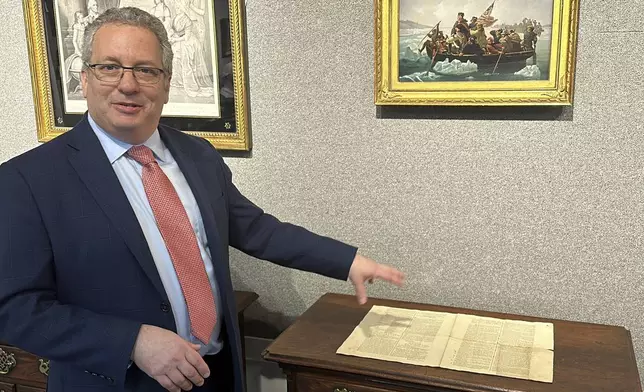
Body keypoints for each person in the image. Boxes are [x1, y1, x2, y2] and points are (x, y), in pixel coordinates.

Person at [0, 6, 404, 392]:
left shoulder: (198, 155)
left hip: (215, 373)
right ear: (84, 78)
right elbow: (15, 310)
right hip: (117, 382)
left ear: (167, 82)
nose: (128, 84)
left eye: (146, 70)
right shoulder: (27, 180)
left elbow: (256, 229)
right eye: (109, 67)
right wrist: (132, 342)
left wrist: (346, 260)